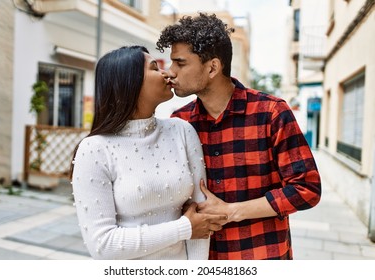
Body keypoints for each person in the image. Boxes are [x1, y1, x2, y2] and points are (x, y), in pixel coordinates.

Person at [156, 13, 322, 260]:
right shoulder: (178, 122)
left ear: (212, 67)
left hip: (262, 256)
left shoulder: (271, 113)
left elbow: (307, 188)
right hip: (202, 257)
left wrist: (232, 211)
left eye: (180, 63)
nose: (170, 72)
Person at [70, 45, 226, 260]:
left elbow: (201, 216)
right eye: (155, 67)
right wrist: (184, 228)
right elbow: (103, 245)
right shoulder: (95, 149)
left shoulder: (181, 130)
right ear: (130, 82)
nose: (167, 73)